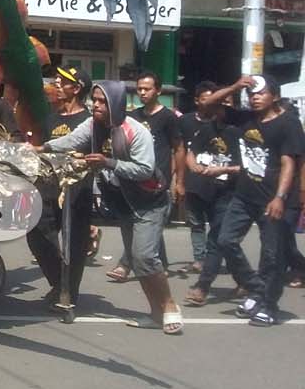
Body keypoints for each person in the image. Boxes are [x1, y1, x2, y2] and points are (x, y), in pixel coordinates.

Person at [41, 81, 183, 334]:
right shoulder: (93, 125)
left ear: (116, 103)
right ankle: (155, 312)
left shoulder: (134, 131)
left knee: (145, 257)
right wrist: (42, 148)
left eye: (101, 101)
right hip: (125, 204)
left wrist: (109, 162)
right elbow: (72, 140)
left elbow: (145, 169)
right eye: (94, 100)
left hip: (149, 201)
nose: (95, 105)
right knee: (140, 262)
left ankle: (170, 305)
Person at [216, 75, 303, 326]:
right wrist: (234, 86)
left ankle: (269, 305)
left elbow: (289, 163)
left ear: (274, 96)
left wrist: (280, 197)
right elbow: (208, 105)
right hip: (244, 196)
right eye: (251, 93)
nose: (254, 97)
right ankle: (257, 289)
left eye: (260, 93)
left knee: (273, 255)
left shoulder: (288, 124)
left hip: (274, 200)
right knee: (225, 240)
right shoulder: (245, 118)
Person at [24, 66, 95, 307]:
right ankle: (59, 282)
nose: (56, 83)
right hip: (48, 188)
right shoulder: (50, 119)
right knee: (36, 232)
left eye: (63, 81)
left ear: (76, 89)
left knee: (75, 244)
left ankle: (68, 294)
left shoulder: (89, 122)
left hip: (78, 191)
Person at [106, 72, 181, 281]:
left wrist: (178, 180)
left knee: (147, 223)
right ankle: (159, 264)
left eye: (147, 89)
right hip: (132, 180)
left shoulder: (168, 117)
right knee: (142, 225)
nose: (142, 93)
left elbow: (178, 148)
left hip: (157, 182)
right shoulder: (134, 117)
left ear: (158, 90)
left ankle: (126, 264)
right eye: (139, 89)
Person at [181, 81, 246, 306]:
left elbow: (247, 167)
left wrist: (224, 169)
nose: (217, 108)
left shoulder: (243, 129)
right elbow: (191, 152)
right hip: (207, 190)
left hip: (233, 193)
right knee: (225, 242)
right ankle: (245, 280)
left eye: (222, 103)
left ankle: (202, 287)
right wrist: (193, 166)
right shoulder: (207, 128)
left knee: (216, 239)